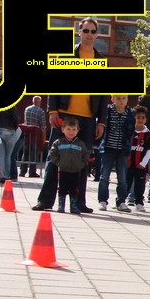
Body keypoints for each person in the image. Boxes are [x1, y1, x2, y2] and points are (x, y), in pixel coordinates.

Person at [32, 17, 108, 213]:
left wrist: (102, 122)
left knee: (82, 160)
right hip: (63, 115)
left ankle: (79, 202)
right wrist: (52, 110)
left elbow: (103, 94)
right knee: (54, 157)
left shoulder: (101, 61)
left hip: (88, 119)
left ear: (97, 35)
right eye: (86, 30)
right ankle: (46, 200)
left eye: (93, 31)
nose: (89, 34)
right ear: (79, 32)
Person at [97, 95, 135, 212]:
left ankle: (121, 201)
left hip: (122, 150)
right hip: (108, 148)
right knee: (104, 176)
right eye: (118, 98)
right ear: (112, 99)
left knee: (122, 178)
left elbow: (131, 131)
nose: (121, 101)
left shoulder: (130, 113)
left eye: (124, 98)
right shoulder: (107, 111)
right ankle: (103, 201)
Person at [49, 116, 89, 214]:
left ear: (78, 130)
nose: (71, 132)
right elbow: (52, 153)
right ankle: (61, 205)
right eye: (68, 129)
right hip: (63, 170)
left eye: (74, 129)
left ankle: (73, 206)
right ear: (63, 129)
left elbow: (86, 155)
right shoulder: (58, 143)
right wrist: (58, 162)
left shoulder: (80, 144)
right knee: (62, 189)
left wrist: (82, 164)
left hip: (76, 171)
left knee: (74, 190)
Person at [126, 105, 150, 213]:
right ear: (134, 118)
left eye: (143, 118)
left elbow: (149, 150)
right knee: (125, 184)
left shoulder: (148, 134)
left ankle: (139, 203)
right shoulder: (130, 131)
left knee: (140, 186)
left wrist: (143, 163)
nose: (140, 120)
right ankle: (120, 201)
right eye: (138, 117)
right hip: (128, 164)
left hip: (141, 166)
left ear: (146, 119)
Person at [20, 96, 46, 178]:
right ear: (39, 102)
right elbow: (43, 126)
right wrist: (44, 137)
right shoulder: (41, 111)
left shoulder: (27, 109)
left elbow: (26, 121)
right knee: (34, 153)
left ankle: (22, 171)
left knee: (25, 152)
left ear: (33, 101)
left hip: (27, 133)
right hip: (36, 134)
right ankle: (32, 172)